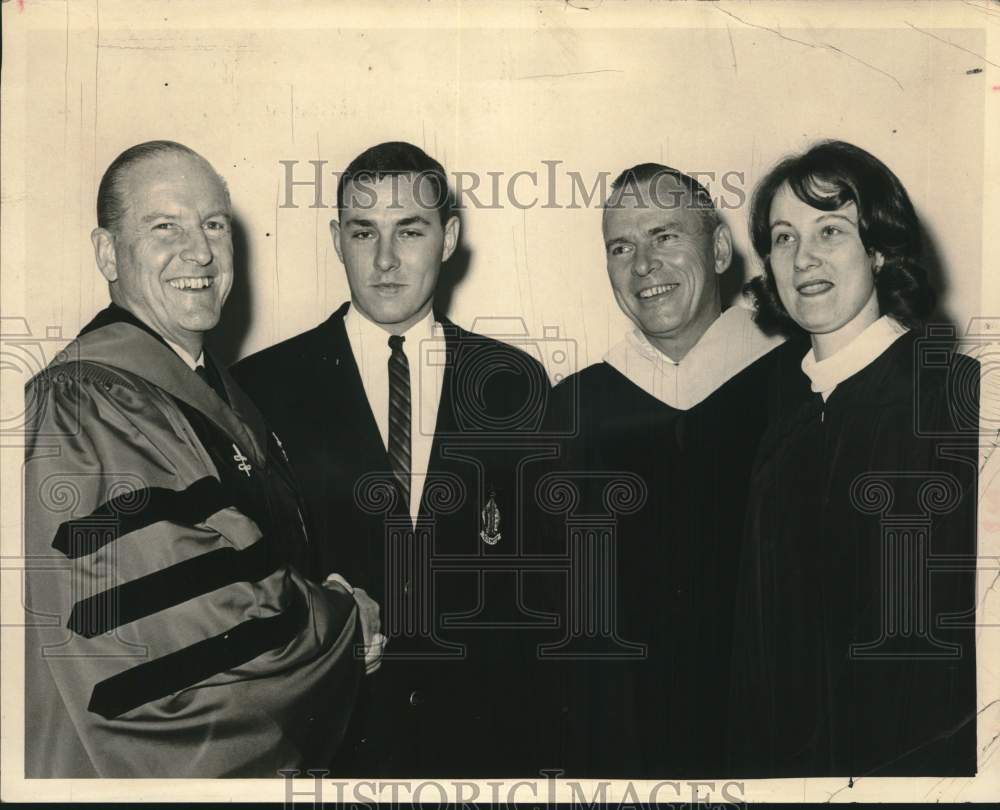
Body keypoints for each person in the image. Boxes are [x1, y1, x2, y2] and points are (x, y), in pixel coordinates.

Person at [23, 140, 377, 778]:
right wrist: (341, 624)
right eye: (165, 227)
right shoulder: (87, 405)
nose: (201, 251)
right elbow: (187, 636)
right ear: (107, 253)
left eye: (214, 224)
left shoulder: (219, 395)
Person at [232, 141, 550, 776]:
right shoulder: (262, 387)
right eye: (363, 232)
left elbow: (543, 588)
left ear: (448, 236)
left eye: (410, 230)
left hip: (480, 749)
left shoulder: (513, 381)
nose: (384, 260)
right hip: (325, 746)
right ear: (336, 239)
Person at [730, 140, 978, 777]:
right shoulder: (776, 420)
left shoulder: (954, 399)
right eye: (783, 238)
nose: (803, 257)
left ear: (879, 248)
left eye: (830, 230)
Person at [535, 164, 786, 777]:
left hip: (772, 737)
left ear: (720, 248)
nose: (643, 264)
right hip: (617, 749)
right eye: (622, 247)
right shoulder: (574, 408)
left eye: (666, 236)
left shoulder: (797, 388)